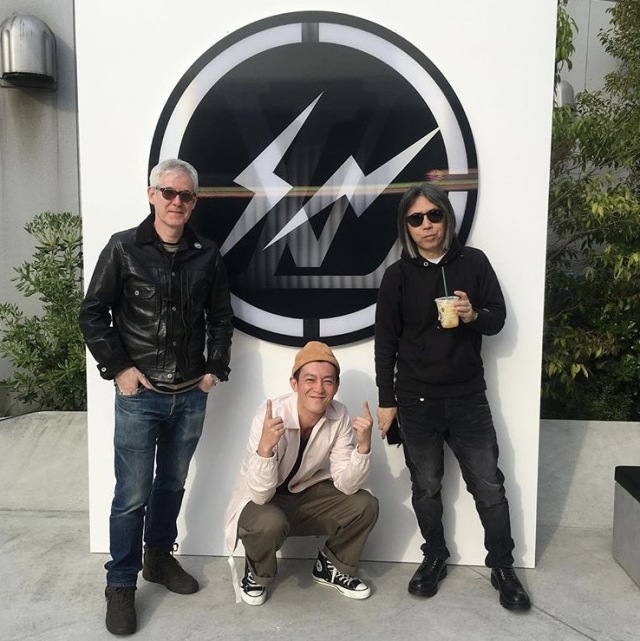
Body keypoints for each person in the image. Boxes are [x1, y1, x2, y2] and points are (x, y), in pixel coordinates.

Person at [79, 158, 234, 635]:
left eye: (185, 195)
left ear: (194, 202)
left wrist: (213, 370)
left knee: (171, 483)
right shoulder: (123, 248)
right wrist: (120, 369)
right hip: (139, 396)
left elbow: (221, 319)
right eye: (168, 192)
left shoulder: (207, 254)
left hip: (190, 395)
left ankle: (159, 558)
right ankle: (120, 583)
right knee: (131, 494)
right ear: (152, 195)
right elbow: (93, 313)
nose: (176, 202)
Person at [374, 183, 531, 611]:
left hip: (467, 397)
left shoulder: (473, 262)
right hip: (416, 401)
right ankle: (435, 557)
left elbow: (497, 320)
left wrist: (473, 314)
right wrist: (387, 400)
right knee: (425, 488)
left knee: (489, 486)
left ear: (447, 216)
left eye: (434, 215)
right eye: (416, 218)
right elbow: (386, 342)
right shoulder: (398, 275)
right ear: (407, 226)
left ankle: (502, 566)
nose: (426, 225)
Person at [224, 341, 379, 606]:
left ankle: (333, 566)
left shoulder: (339, 415)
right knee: (269, 521)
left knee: (365, 504)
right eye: (310, 379)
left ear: (336, 386)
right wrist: (265, 449)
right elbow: (260, 495)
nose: (319, 388)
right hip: (262, 504)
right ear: (294, 383)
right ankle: (257, 573)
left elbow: (347, 485)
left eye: (327, 381)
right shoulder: (271, 415)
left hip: (302, 497)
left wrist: (363, 447)